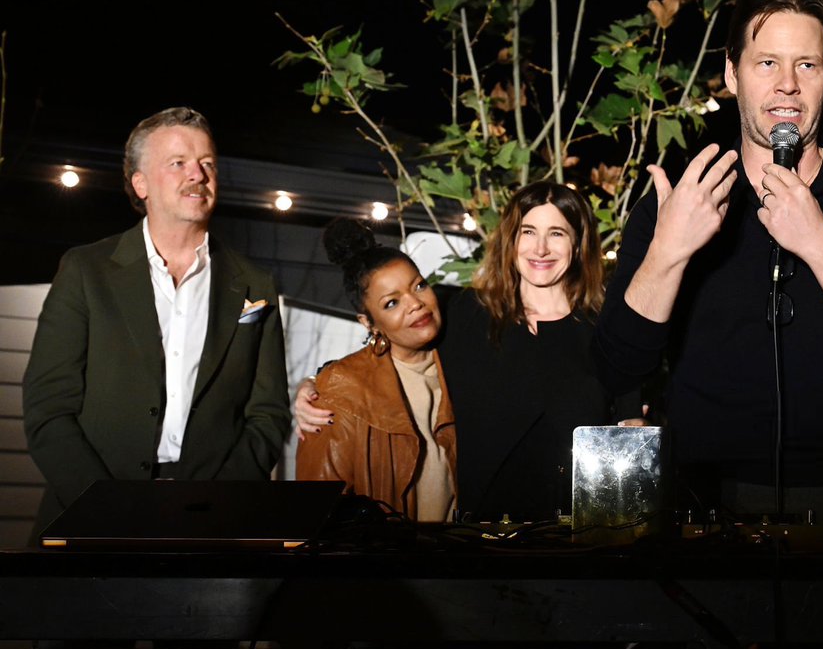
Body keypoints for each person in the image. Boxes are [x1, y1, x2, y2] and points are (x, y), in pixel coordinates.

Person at [591, 0, 823, 541]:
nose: (788, 85)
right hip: (703, 508)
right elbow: (617, 369)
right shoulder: (682, 201)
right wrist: (668, 253)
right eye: (766, 63)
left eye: (807, 65)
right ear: (732, 74)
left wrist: (819, 242)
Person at [295, 182, 642, 522]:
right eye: (528, 231)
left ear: (578, 242)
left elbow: (630, 438)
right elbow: (392, 349)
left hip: (576, 545)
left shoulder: (607, 329)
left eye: (557, 233)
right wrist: (316, 384)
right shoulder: (462, 312)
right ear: (511, 239)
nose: (540, 249)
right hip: (479, 542)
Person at [22, 106, 289, 535]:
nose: (197, 175)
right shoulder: (86, 270)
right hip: (89, 521)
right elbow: (48, 409)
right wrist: (104, 507)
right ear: (139, 183)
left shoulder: (255, 284)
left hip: (213, 525)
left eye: (207, 164)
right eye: (178, 163)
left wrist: (215, 505)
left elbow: (268, 414)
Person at [295, 220, 456, 521]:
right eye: (392, 302)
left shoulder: (461, 359)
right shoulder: (339, 389)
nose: (415, 304)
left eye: (419, 285)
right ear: (368, 322)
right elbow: (317, 512)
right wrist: (319, 382)